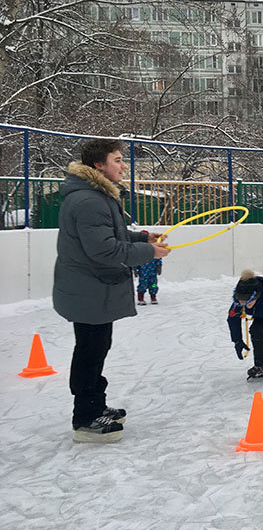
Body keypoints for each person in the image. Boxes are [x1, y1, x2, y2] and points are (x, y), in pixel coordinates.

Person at [53, 138, 170, 443]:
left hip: (92, 288)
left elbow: (113, 235)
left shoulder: (95, 195)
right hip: (89, 288)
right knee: (90, 352)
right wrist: (150, 254)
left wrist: (143, 238)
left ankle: (95, 405)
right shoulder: (90, 200)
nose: (123, 165)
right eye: (117, 160)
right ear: (98, 166)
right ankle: (86, 419)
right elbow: (103, 251)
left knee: (96, 348)